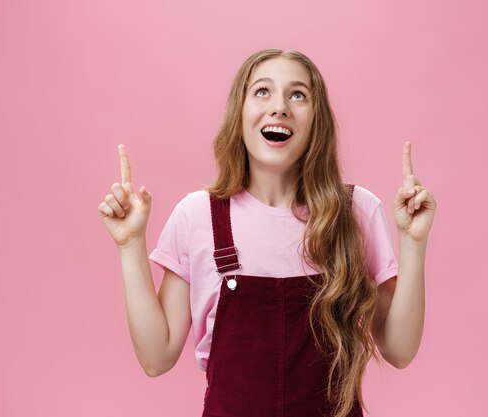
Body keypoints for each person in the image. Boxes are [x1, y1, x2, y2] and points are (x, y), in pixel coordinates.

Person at [98, 48, 436, 417]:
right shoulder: (198, 216)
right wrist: (130, 244)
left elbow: (399, 350)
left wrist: (413, 242)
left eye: (298, 94)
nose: (279, 107)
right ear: (239, 114)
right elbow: (156, 356)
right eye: (262, 91)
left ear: (316, 120)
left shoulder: (355, 210)